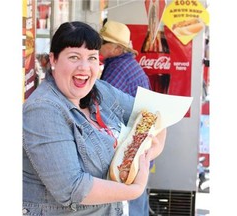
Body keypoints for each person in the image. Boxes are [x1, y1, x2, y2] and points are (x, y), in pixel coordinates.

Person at [23, 21, 166, 216]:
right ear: (53, 60)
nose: (84, 67)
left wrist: (147, 153)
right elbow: (73, 188)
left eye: (92, 58)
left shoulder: (100, 90)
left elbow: (155, 113)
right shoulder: (43, 110)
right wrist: (135, 189)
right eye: (74, 57)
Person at [99, 20, 155, 216]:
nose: (99, 44)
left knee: (131, 197)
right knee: (137, 197)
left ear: (116, 48)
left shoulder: (117, 69)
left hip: (129, 147)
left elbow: (102, 107)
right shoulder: (126, 64)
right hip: (140, 142)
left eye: (103, 41)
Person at [99, 20, 150, 97]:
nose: (97, 44)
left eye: (102, 42)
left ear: (118, 49)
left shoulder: (117, 67)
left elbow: (102, 100)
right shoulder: (125, 62)